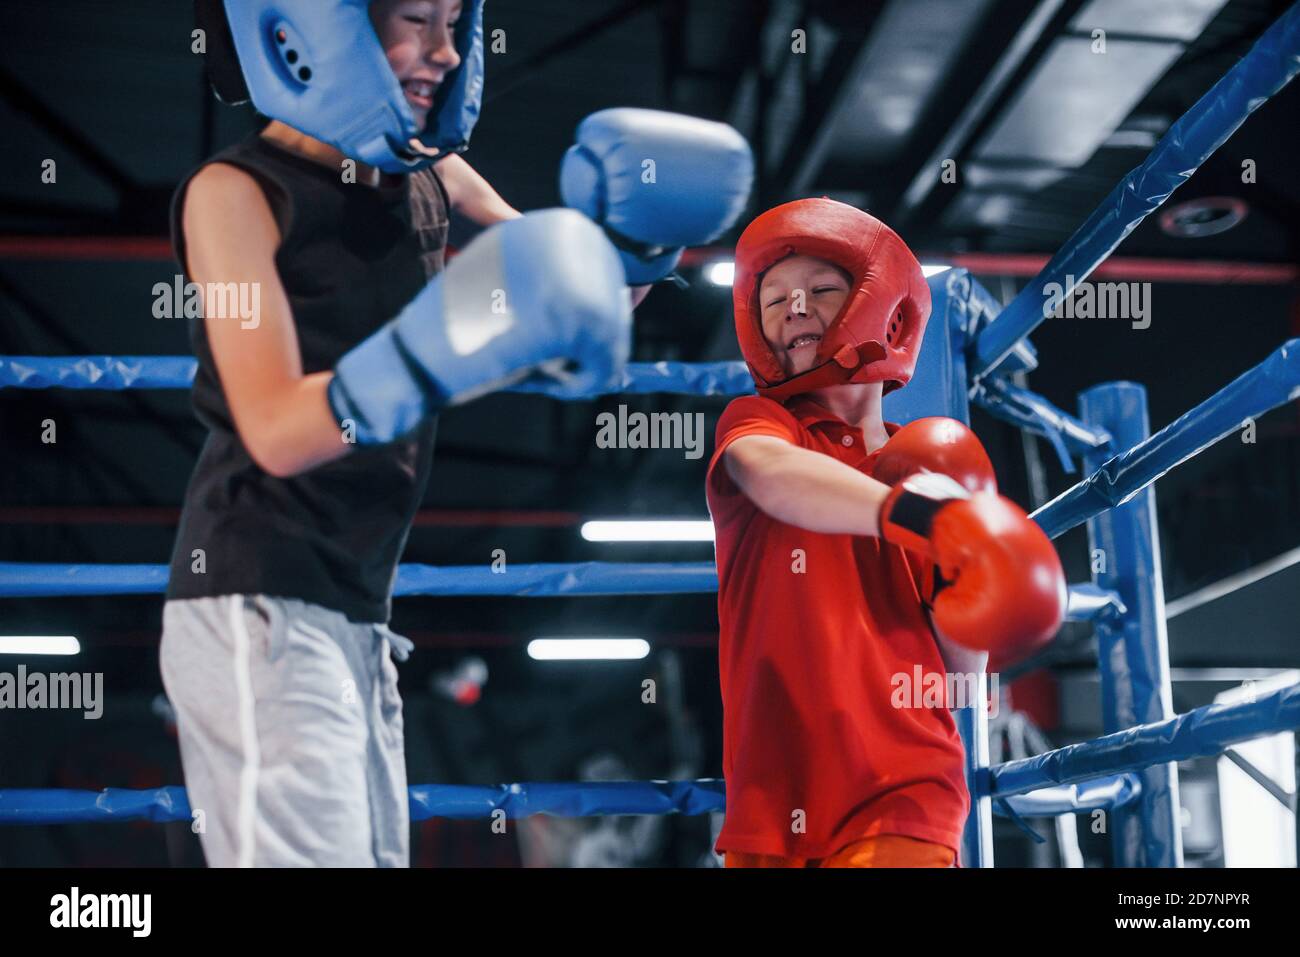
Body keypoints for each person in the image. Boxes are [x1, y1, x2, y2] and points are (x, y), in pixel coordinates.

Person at [161, 0, 753, 867]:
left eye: (452, 23)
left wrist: (637, 240)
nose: (442, 52)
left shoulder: (433, 173)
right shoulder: (234, 194)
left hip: (357, 607)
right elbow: (277, 428)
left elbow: (577, 294)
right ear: (307, 29)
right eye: (413, 20)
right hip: (255, 592)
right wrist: (441, 343)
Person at [706, 197, 1066, 868]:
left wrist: (980, 585)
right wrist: (921, 518)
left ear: (885, 306)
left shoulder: (934, 466)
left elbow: (962, 684)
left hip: (905, 790)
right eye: (775, 297)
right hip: (768, 800)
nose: (794, 308)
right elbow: (768, 472)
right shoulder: (762, 427)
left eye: (821, 289)